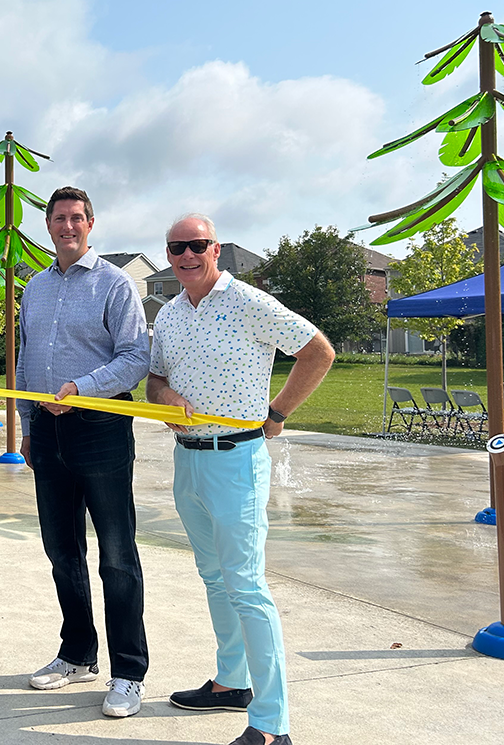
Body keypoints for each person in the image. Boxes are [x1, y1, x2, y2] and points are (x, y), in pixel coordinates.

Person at [146, 214, 335, 745]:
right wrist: (165, 400)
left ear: (216, 248)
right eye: (176, 247)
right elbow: (156, 377)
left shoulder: (248, 302)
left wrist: (277, 413)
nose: (186, 255)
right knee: (214, 578)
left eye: (196, 245)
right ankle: (232, 683)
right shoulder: (169, 314)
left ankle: (272, 725)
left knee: (247, 587)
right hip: (188, 458)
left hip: (237, 460)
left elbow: (318, 351)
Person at [15, 186, 152, 718]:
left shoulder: (115, 284)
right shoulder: (35, 288)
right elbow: (26, 359)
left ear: (91, 225)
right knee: (61, 550)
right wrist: (28, 424)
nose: (67, 226)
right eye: (58, 219)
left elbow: (136, 357)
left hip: (99, 426)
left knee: (117, 556)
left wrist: (83, 387)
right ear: (48, 226)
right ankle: (77, 654)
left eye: (76, 218)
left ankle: (129, 673)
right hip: (47, 434)